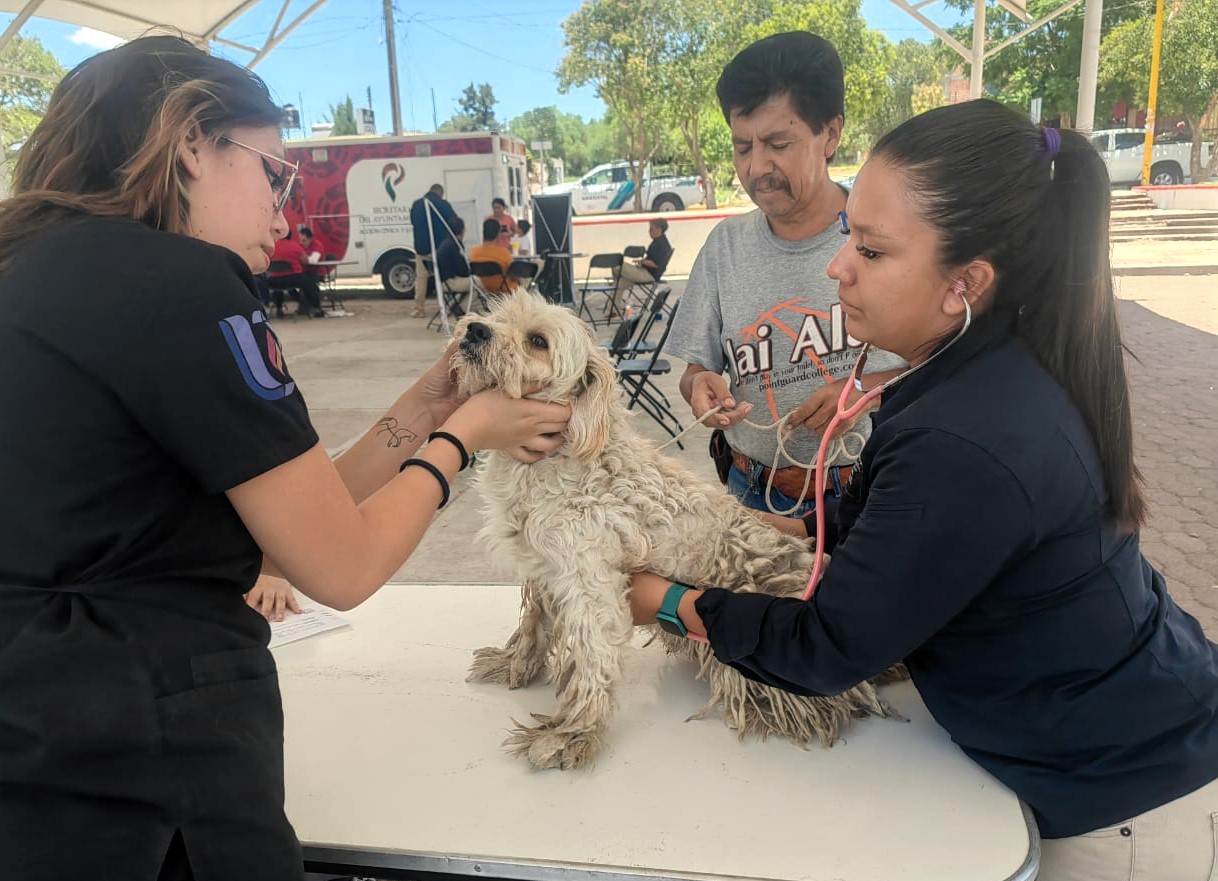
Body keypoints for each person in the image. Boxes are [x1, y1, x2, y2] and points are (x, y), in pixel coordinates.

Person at [0, 36, 571, 880]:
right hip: (155, 750)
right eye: (276, 174)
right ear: (193, 140)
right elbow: (341, 563)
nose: (284, 212)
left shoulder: (35, 274)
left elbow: (285, 526)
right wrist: (468, 437)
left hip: (44, 751)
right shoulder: (180, 283)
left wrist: (422, 410)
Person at [630, 99, 1218, 881]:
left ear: (964, 284)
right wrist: (771, 529)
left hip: (1124, 800)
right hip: (1138, 728)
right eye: (850, 239)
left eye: (871, 251)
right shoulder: (995, 368)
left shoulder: (965, 438)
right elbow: (894, 522)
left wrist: (669, 603)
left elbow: (828, 647)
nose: (839, 268)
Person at [665, 32, 903, 518]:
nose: (756, 168)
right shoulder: (724, 248)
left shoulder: (887, 236)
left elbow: (944, 367)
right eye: (742, 147)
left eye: (777, 144)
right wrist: (700, 386)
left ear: (830, 134)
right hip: (748, 492)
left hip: (867, 494)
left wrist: (861, 392)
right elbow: (694, 372)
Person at [410, 183, 458, 317]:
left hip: (422, 248)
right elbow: (453, 223)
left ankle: (419, 308)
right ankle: (447, 307)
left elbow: (413, 223)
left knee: (421, 278)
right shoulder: (444, 205)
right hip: (441, 248)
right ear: (440, 193)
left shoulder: (417, 205)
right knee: (444, 277)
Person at [610, 217, 672, 312]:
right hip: (644, 271)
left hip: (648, 274)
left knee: (617, 265)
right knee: (618, 285)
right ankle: (613, 310)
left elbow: (656, 264)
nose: (649, 231)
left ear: (659, 229)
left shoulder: (662, 245)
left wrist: (642, 262)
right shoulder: (658, 242)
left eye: (651, 229)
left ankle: (616, 281)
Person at [269, 227, 325, 317]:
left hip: (274, 280)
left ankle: (279, 308)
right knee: (310, 284)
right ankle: (316, 307)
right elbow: (305, 261)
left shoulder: (272, 247)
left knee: (280, 287)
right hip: (294, 278)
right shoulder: (295, 246)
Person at [468, 216, 517, 294]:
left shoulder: (473, 252)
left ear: (483, 232)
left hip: (483, 290)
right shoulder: (504, 253)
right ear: (498, 234)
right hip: (505, 291)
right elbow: (514, 276)